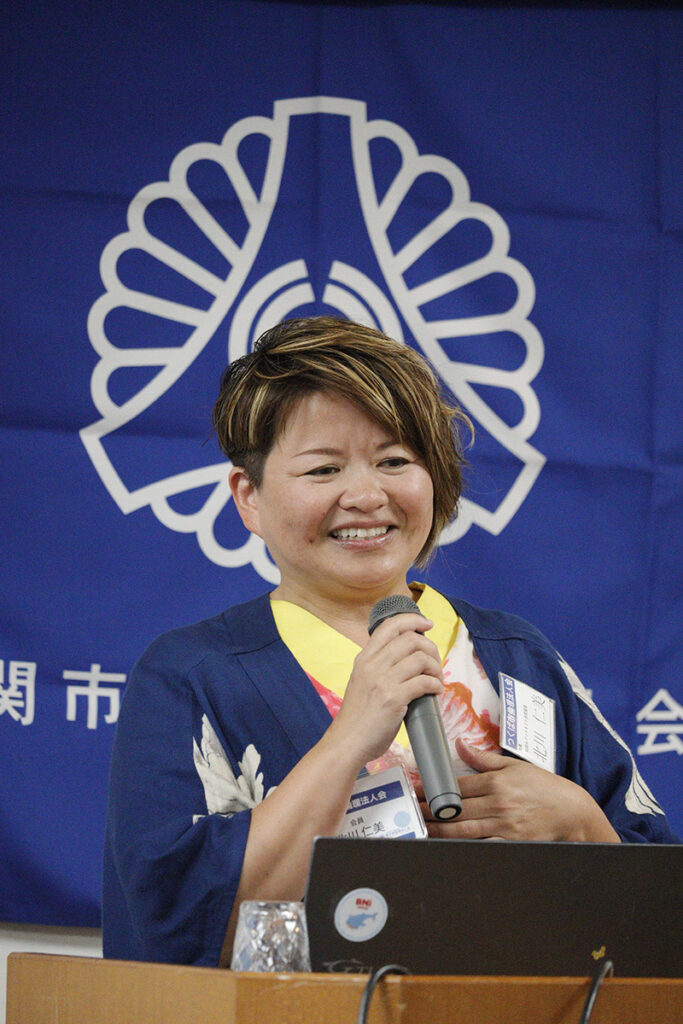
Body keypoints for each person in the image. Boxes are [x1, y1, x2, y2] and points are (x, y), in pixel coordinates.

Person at [102, 315, 678, 968]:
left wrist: (577, 821)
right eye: (324, 469)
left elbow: (660, 916)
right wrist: (349, 738)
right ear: (249, 496)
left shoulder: (519, 656)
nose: (366, 495)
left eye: (394, 461)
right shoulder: (192, 675)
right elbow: (175, 926)